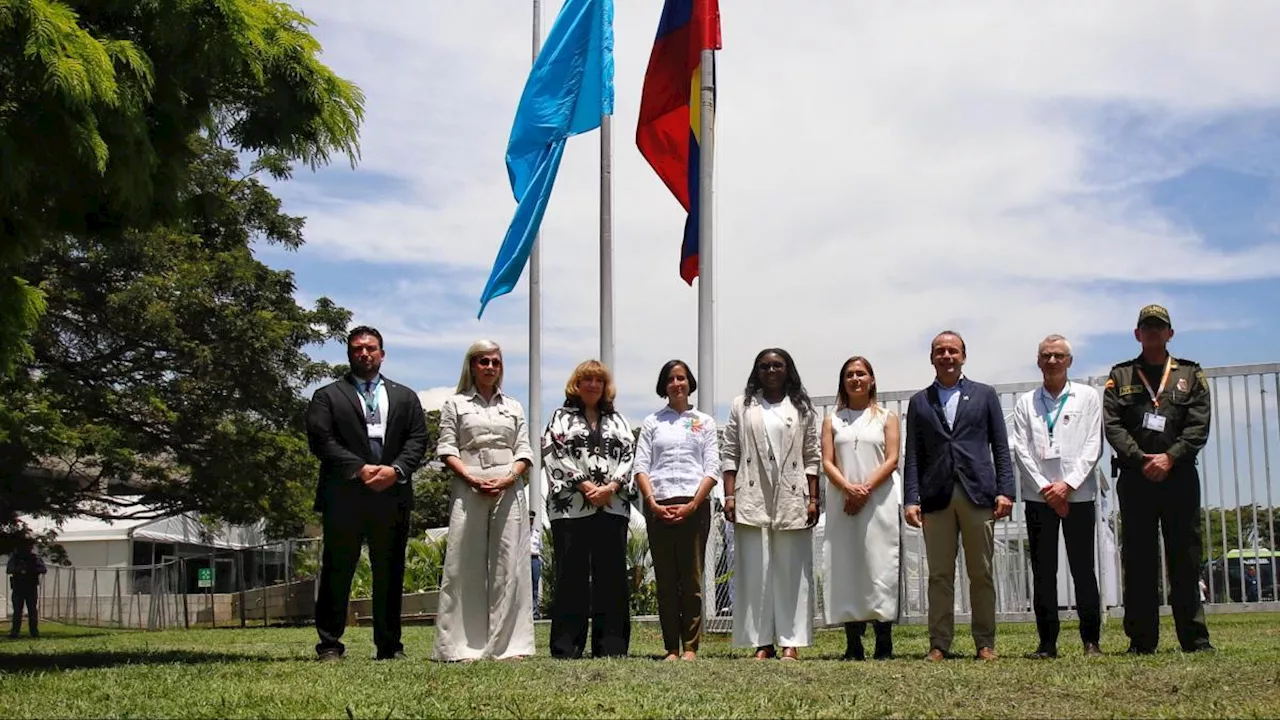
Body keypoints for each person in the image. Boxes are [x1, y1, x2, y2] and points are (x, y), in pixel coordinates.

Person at [305, 326, 429, 661]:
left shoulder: (405, 396)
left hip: (392, 495)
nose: (365, 353)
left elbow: (418, 438)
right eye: (357, 348)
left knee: (389, 573)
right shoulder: (327, 396)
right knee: (337, 570)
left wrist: (396, 470)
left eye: (371, 348)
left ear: (382, 354)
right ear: (349, 354)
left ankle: (389, 646)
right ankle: (329, 645)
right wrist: (359, 469)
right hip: (344, 495)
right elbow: (321, 440)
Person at [1103, 304, 1214, 654]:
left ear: (1170, 333)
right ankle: (1141, 641)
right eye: (1146, 327)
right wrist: (1141, 459)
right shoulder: (1120, 376)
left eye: (1159, 327)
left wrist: (1169, 457)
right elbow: (1113, 425)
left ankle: (1194, 639)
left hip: (1179, 476)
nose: (1152, 332)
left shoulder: (1190, 374)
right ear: (1137, 334)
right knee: (1138, 559)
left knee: (1185, 557)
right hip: (1136, 480)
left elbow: (1199, 426)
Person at [903, 330, 1014, 662]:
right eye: (940, 351)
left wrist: (1005, 490)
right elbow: (913, 456)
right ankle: (939, 643)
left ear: (963, 356)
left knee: (980, 572)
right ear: (932, 358)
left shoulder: (985, 395)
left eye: (953, 351)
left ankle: (985, 642)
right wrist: (911, 498)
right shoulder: (919, 401)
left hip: (978, 493)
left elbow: (1001, 448)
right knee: (939, 575)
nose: (947, 356)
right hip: (936, 496)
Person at [433, 340, 536, 661]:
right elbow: (447, 448)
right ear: (471, 366)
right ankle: (462, 647)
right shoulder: (455, 404)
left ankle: (511, 647)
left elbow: (524, 449)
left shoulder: (514, 406)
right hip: (469, 484)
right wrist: (472, 478)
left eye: (495, 362)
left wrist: (509, 477)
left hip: (509, 484)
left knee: (511, 565)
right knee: (465, 564)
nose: (490, 367)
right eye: (483, 361)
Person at [723, 348, 820, 661]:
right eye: (764, 366)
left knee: (792, 568)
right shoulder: (742, 406)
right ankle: (761, 642)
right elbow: (729, 453)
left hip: (793, 494)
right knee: (755, 569)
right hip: (751, 493)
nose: (771, 371)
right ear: (757, 371)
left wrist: (814, 498)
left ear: (787, 369)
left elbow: (812, 456)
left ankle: (790, 640)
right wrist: (729, 495)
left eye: (777, 365)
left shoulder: (802, 408)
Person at [1010, 334, 1104, 659]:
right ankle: (1047, 643)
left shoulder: (1088, 397)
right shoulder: (1026, 403)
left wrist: (1069, 485)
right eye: (1046, 355)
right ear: (1038, 361)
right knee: (1043, 571)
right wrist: (1047, 489)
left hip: (1078, 495)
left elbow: (1094, 445)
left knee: (1083, 569)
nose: (1052, 361)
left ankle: (1091, 641)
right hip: (1039, 498)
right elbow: (1020, 449)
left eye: (1059, 356)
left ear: (1070, 361)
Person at [541, 360, 636, 659]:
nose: (593, 385)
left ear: (605, 386)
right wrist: (584, 485)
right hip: (570, 509)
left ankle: (612, 646)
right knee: (571, 576)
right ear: (576, 384)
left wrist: (610, 487)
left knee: (612, 577)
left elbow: (630, 455)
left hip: (612, 505)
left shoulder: (619, 420)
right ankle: (567, 647)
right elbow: (552, 452)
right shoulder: (560, 417)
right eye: (587, 380)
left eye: (599, 380)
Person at [634, 359, 721, 661]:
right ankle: (671, 646)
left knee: (692, 579)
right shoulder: (652, 423)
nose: (677, 384)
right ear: (664, 385)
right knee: (667, 580)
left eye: (681, 378)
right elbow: (641, 466)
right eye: (671, 379)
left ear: (689, 382)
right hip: (659, 505)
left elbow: (712, 467)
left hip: (694, 504)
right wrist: (652, 502)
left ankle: (691, 646)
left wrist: (694, 504)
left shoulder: (705, 422)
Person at [820, 356, 901, 661]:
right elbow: (828, 461)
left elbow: (892, 458)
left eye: (861, 374)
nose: (855, 379)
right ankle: (853, 642)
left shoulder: (886, 417)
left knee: (879, 565)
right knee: (846, 565)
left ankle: (884, 640)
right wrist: (848, 489)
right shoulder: (832, 420)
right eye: (849, 375)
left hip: (878, 500)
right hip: (843, 503)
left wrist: (864, 489)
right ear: (843, 382)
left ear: (871, 379)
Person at [7, 540, 46, 639]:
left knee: (32, 611)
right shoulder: (15, 558)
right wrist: (19, 569)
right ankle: (15, 632)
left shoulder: (35, 558)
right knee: (17, 611)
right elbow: (9, 570)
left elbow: (43, 569)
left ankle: (34, 632)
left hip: (31, 588)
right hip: (18, 588)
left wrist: (31, 569)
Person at [529, 511, 543, 620]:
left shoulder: (536, 533)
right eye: (529, 519)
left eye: (532, 519)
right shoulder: (522, 532)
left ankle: (535, 611)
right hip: (525, 559)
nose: (531, 521)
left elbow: (540, 548)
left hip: (535, 559)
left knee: (535, 586)